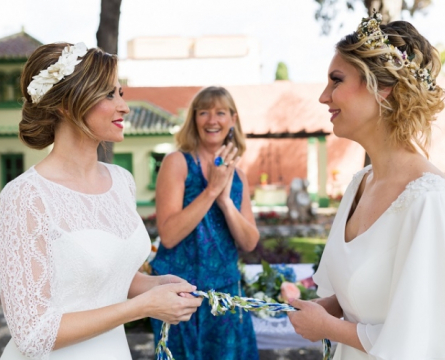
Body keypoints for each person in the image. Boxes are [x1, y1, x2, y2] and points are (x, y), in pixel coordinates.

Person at [0, 42, 202, 360]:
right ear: (67, 105)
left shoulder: (121, 182)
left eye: (120, 93)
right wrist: (142, 307)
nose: (124, 106)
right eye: (109, 95)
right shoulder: (24, 198)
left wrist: (156, 286)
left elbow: (105, 277)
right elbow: (33, 334)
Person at [287, 12, 445, 360]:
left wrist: (327, 328)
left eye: (336, 81)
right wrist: (320, 309)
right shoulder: (360, 183)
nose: (323, 97)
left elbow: (427, 335)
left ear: (383, 90)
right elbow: (358, 297)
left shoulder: (430, 200)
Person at [150, 86, 260, 359]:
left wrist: (224, 200)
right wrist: (211, 191)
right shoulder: (177, 163)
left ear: (232, 119)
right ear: (194, 119)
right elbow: (169, 235)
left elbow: (249, 241)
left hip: (225, 297)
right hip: (180, 295)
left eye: (220, 112)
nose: (212, 120)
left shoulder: (239, 177)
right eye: (204, 113)